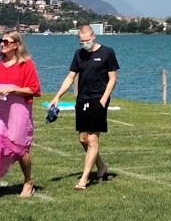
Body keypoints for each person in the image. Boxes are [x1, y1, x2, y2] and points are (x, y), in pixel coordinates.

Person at [48, 24, 118, 190]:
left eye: (87, 40)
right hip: (82, 100)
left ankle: (84, 179)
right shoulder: (79, 54)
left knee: (93, 140)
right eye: (81, 41)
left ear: (94, 37)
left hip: (98, 99)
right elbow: (70, 77)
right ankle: (101, 167)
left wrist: (104, 99)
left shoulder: (107, 52)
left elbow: (112, 78)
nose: (85, 44)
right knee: (83, 139)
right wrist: (57, 96)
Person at [0, 32, 39, 203]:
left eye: (6, 41)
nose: (2, 44)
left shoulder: (26, 64)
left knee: (20, 149)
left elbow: (34, 89)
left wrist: (12, 88)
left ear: (16, 45)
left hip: (19, 111)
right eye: (1, 41)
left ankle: (28, 181)